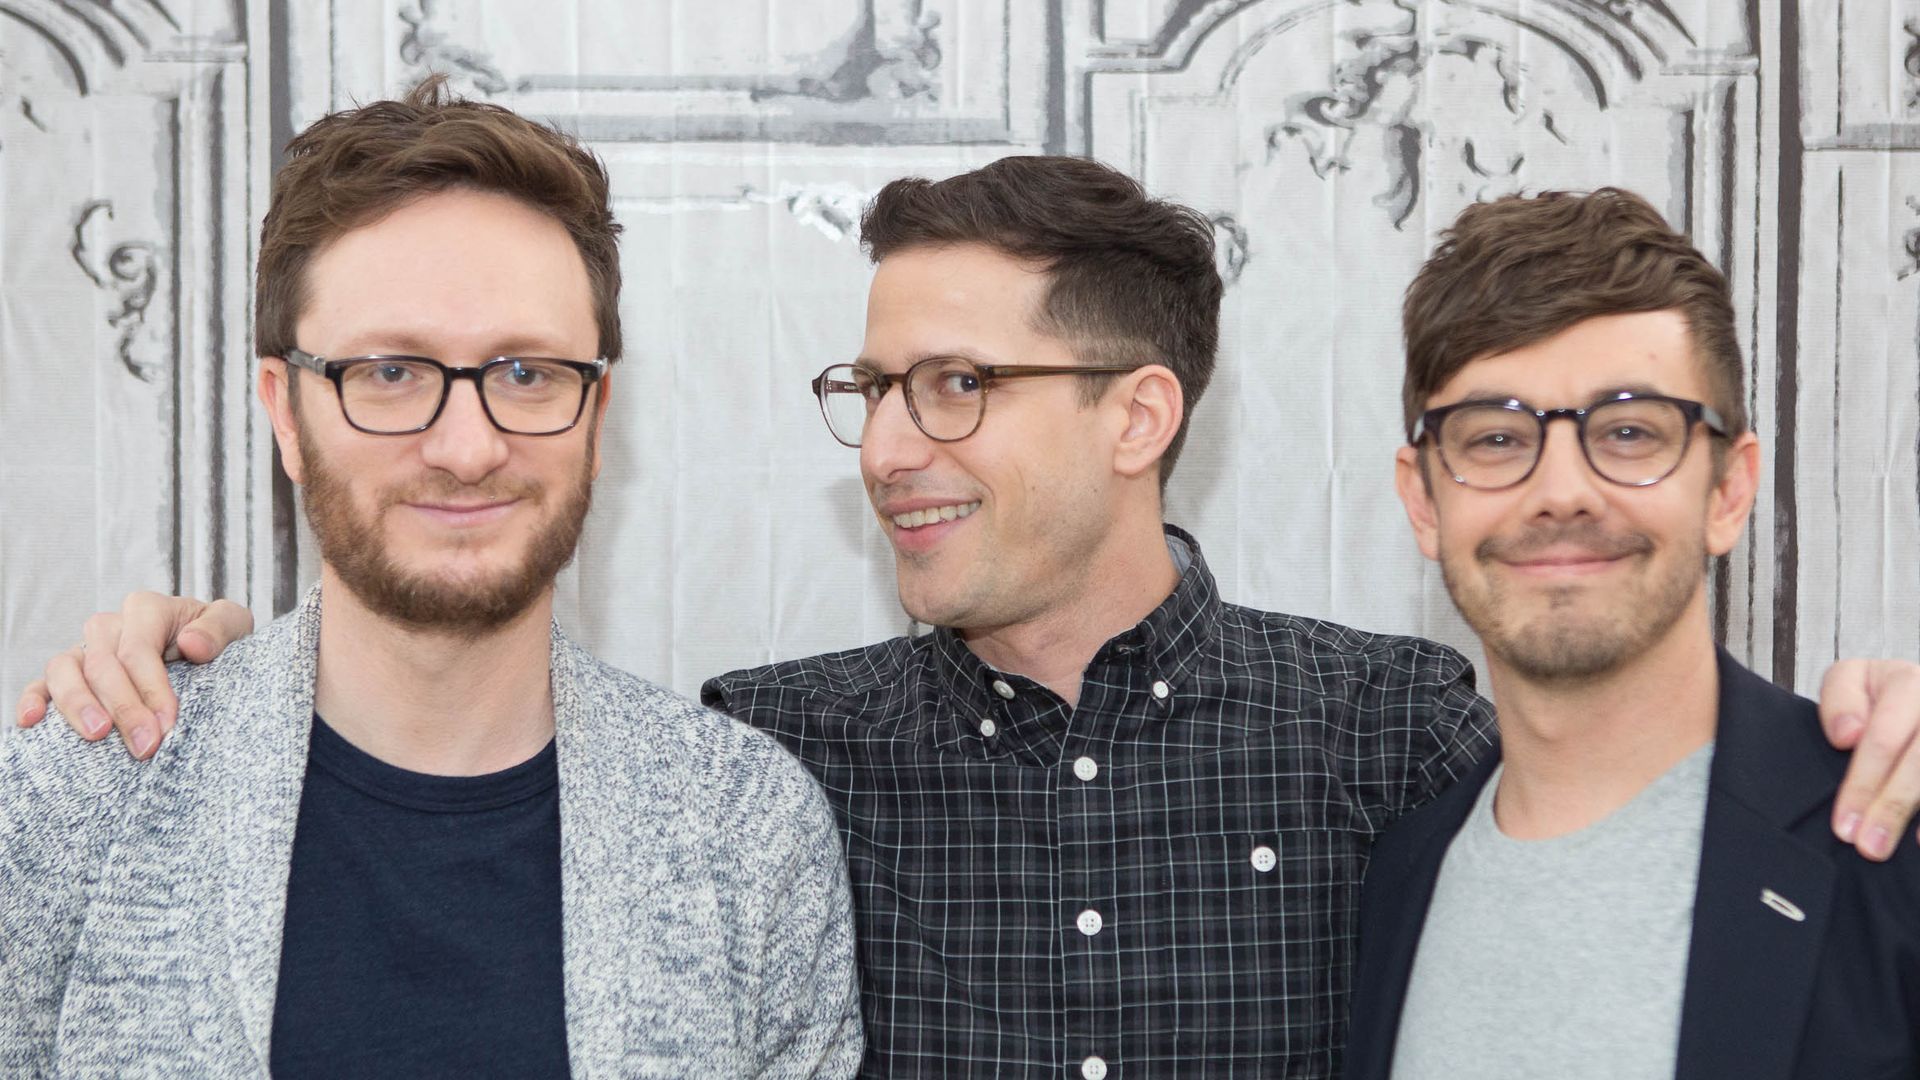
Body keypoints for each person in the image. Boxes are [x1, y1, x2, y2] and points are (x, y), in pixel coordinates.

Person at [18, 158, 1920, 1079]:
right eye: (871, 392)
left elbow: (1624, 775)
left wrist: (1862, 729)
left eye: (956, 389)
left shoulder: (1396, 732)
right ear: (287, 400)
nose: (890, 448)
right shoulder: (776, 759)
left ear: (1139, 415)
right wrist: (191, 657)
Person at [0, 80, 862, 1078]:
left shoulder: (747, 832)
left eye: (527, 374)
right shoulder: (79, 792)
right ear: (285, 413)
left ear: (596, 418)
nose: (466, 447)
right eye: (391, 372)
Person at [1344, 188, 1920, 1078]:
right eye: (1496, 439)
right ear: (1424, 500)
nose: (1562, 492)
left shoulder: (1890, 835)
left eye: (1627, 432)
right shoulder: (1398, 877)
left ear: (1728, 490)